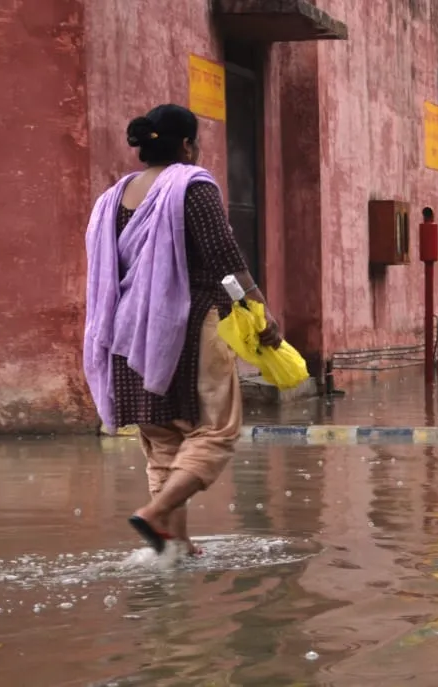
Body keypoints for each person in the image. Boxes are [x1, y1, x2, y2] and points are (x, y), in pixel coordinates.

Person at [83, 104, 282, 555]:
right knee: (216, 431)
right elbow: (223, 256)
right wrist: (258, 307)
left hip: (126, 334)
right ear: (188, 144)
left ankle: (174, 544)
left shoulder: (113, 199)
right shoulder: (192, 187)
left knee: (163, 441)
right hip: (187, 328)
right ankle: (155, 515)